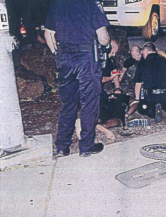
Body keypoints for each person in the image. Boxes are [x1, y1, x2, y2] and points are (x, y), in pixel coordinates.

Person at [44, 0, 111, 157]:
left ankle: (62, 147)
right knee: (89, 103)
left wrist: (56, 55)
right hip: (86, 57)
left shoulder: (57, 4)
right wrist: (107, 45)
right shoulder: (91, 3)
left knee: (68, 104)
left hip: (66, 59)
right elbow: (102, 37)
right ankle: (86, 146)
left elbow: (48, 33)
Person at [134, 42, 166, 124]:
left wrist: (137, 99)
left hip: (151, 96)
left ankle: (155, 110)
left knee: (142, 109)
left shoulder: (142, 64)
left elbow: (138, 84)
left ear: (146, 51)